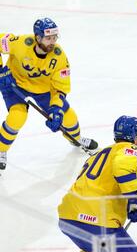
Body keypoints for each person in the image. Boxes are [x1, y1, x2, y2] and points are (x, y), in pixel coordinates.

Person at [0, 18, 98, 171]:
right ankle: (1, 150)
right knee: (17, 117)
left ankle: (76, 139)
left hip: (44, 90)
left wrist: (56, 110)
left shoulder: (59, 57)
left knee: (68, 116)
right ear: (37, 37)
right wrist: (1, 71)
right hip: (14, 84)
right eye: (48, 38)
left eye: (54, 37)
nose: (52, 42)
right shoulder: (20, 42)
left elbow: (60, 88)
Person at [58, 115, 137, 252]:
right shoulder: (129, 149)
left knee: (89, 251)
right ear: (135, 137)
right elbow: (122, 168)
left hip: (67, 217)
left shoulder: (98, 155)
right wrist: (134, 199)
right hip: (97, 221)